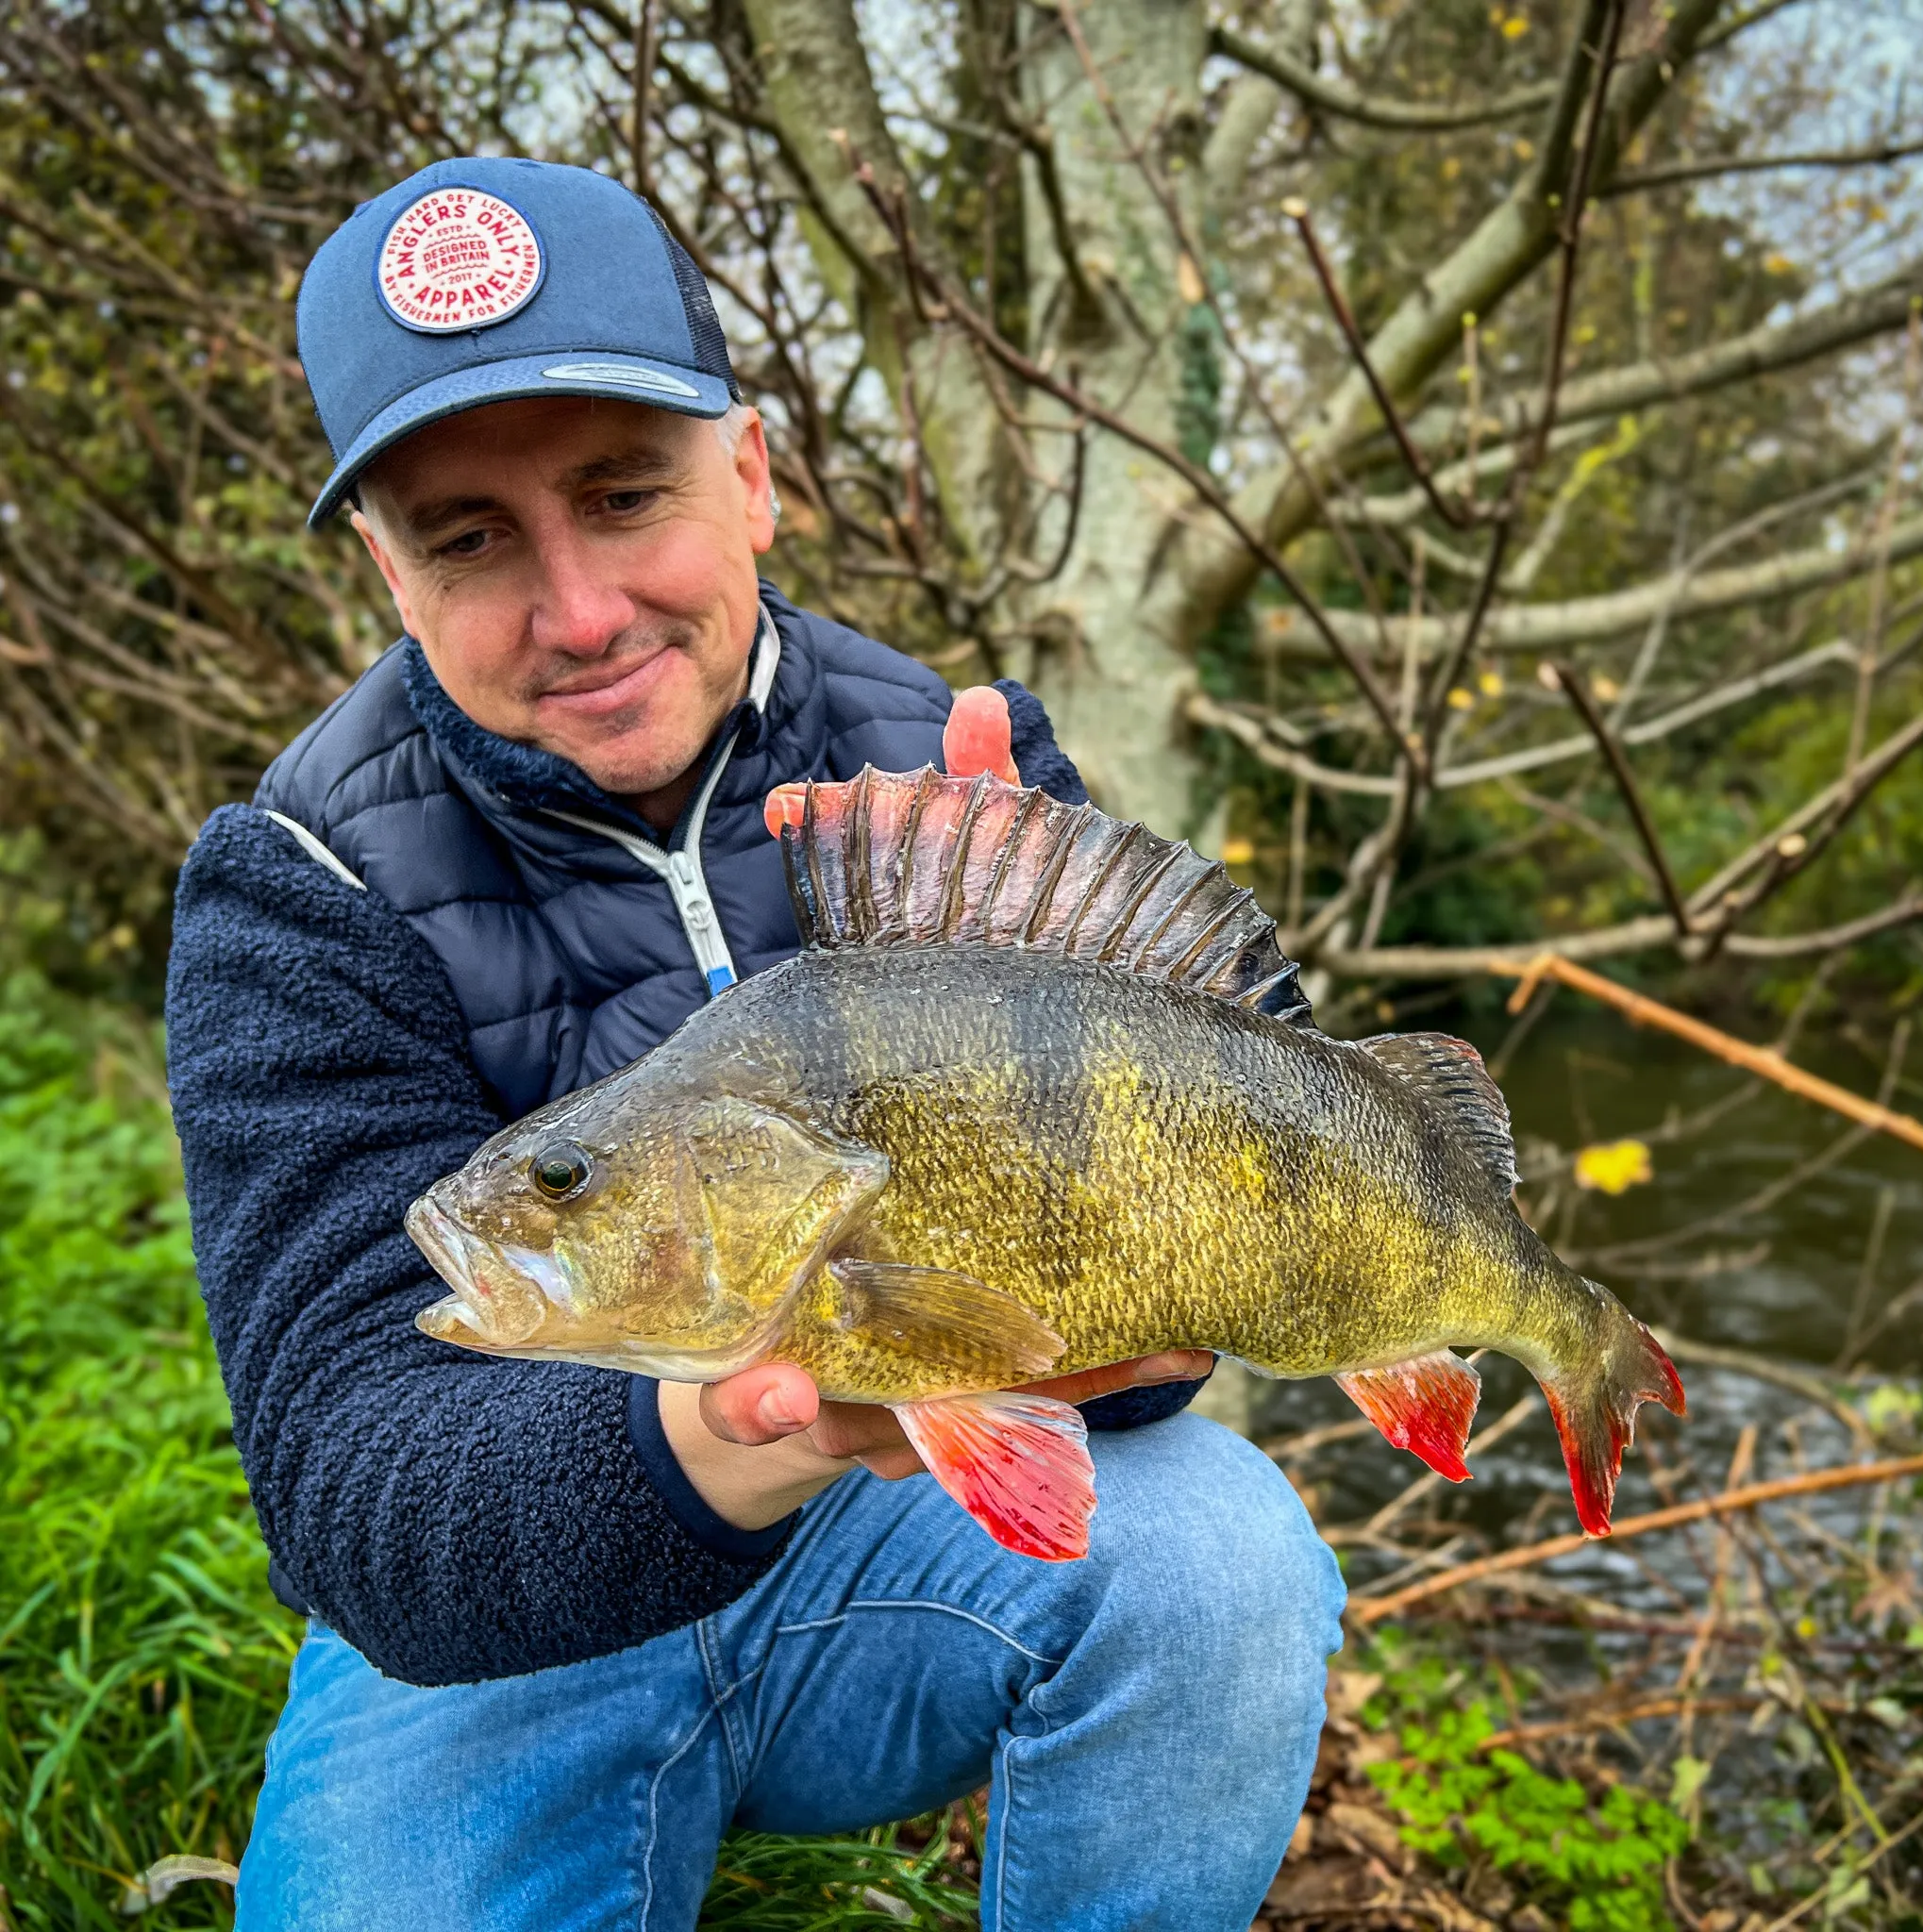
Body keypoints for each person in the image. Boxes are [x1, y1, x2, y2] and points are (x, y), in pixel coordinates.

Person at [164, 156, 1345, 1932]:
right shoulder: (298, 885)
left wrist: (1064, 1262)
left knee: (1224, 1554)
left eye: (625, 494)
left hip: (904, 1562)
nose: (578, 612)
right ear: (387, 574)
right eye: (469, 537)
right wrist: (743, 1429)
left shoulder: (956, 778)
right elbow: (350, 1480)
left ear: (757, 475)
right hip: (503, 1639)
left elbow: (1194, 1296)